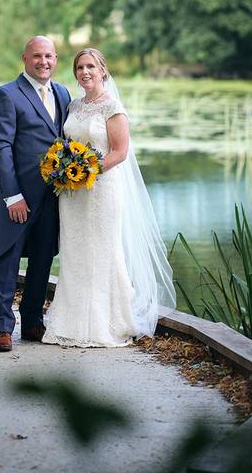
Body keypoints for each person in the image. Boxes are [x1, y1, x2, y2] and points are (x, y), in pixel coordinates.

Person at [43, 48, 176, 347]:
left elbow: (119, 152)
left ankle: (106, 324)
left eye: (91, 66)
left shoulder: (112, 107)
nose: (85, 72)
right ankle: (70, 324)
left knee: (103, 252)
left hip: (102, 190)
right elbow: (67, 143)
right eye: (80, 67)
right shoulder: (74, 105)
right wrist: (66, 171)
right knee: (75, 254)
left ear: (103, 70)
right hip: (72, 193)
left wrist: (85, 169)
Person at [0, 36, 71, 352]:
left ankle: (33, 321)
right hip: (18, 197)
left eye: (49, 56)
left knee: (42, 259)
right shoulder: (7, 95)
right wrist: (12, 196)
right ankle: (2, 329)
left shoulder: (62, 93)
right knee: (6, 260)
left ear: (55, 59)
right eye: (37, 56)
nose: (43, 62)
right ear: (25, 58)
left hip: (52, 197)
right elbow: (0, 149)